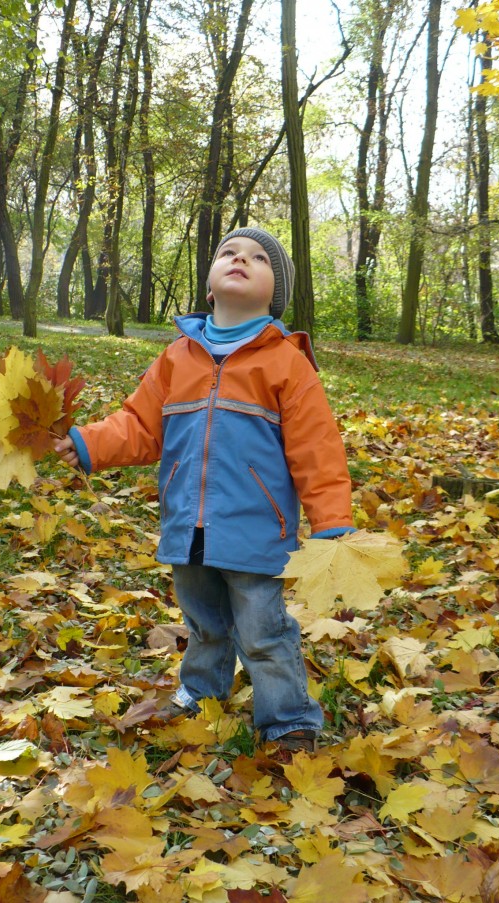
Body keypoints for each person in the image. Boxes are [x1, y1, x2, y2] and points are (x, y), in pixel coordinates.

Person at [54, 227, 354, 753]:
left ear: (273, 292)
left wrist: (331, 524)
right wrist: (88, 443)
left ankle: (287, 721)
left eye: (259, 258)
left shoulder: (286, 363)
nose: (241, 259)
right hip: (185, 524)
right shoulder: (178, 357)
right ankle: (201, 693)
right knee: (204, 623)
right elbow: (139, 425)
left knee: (263, 632)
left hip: (256, 531)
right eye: (229, 253)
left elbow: (318, 450)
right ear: (210, 285)